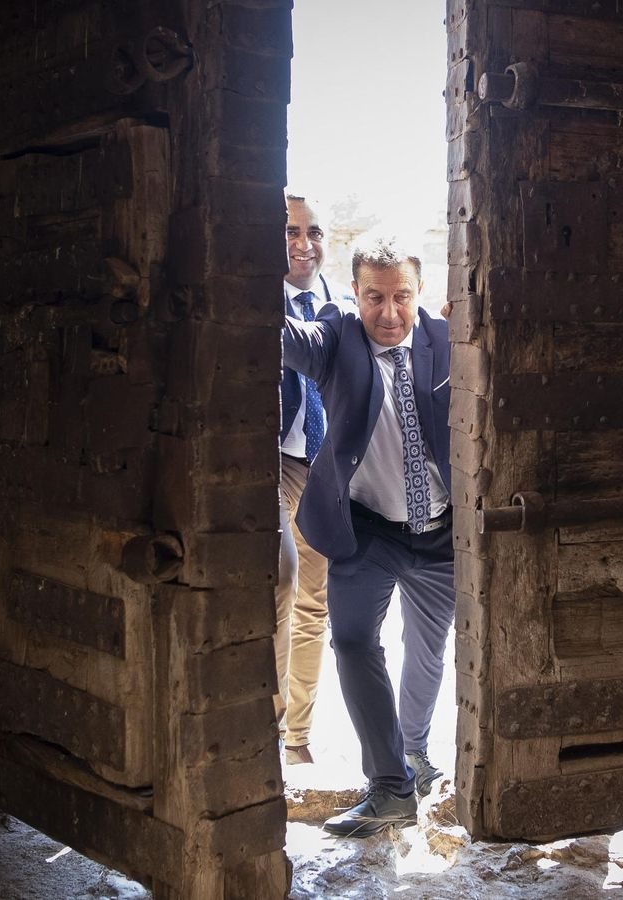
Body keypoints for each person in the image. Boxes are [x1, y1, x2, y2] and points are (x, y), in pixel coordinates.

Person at [281, 234, 454, 837]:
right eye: (374, 297)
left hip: (441, 533)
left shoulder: (447, 339)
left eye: (401, 296)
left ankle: (415, 754)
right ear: (354, 293)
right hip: (366, 530)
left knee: (429, 650)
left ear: (420, 291)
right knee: (354, 644)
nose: (388, 313)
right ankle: (389, 788)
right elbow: (279, 336)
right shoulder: (336, 339)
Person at [275, 194, 336, 766]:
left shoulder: (335, 306)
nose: (303, 242)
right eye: (291, 229)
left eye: (314, 231)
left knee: (314, 603)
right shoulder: (253, 299)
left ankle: (298, 739)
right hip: (268, 461)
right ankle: (263, 723)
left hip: (321, 464)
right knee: (279, 572)